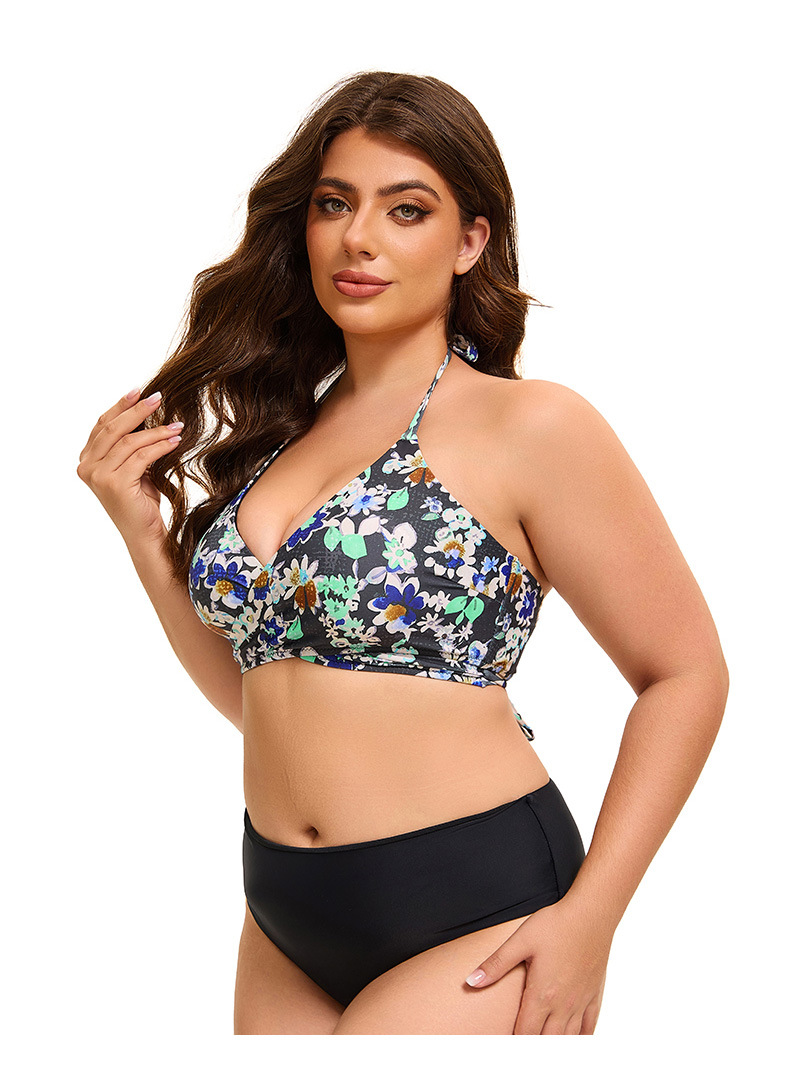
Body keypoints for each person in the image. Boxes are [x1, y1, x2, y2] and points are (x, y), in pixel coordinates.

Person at [77, 70, 728, 1035]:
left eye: (407, 209)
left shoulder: (532, 426)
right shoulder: (282, 436)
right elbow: (262, 692)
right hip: (283, 913)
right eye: (334, 203)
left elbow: (686, 673)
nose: (359, 237)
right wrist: (141, 534)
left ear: (470, 242)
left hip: (476, 901)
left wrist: (593, 918)